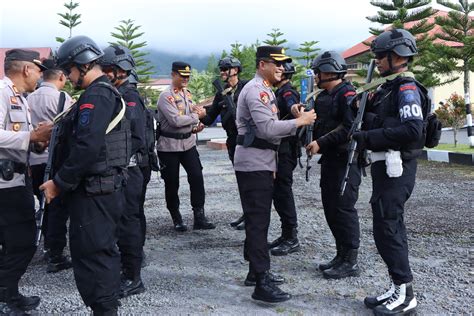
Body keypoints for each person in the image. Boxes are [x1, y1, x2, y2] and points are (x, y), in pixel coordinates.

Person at [40, 35, 130, 315]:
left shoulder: (97, 95)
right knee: (98, 252)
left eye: (69, 69)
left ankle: (104, 310)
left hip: (95, 191)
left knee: (93, 254)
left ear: (82, 63)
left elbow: (87, 146)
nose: (68, 76)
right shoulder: (100, 93)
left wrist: (59, 182)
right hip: (98, 189)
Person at [234, 46, 316, 303]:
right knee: (259, 223)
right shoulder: (257, 90)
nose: (281, 68)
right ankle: (261, 281)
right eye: (276, 63)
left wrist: (292, 116)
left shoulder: (266, 90)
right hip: (254, 162)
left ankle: (253, 272)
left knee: (258, 219)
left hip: (262, 161)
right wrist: (300, 122)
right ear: (262, 65)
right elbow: (268, 129)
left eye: (283, 64)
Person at [352, 29, 423, 315]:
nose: (377, 61)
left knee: (389, 228)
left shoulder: (406, 88)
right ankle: (398, 286)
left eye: (381, 56)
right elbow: (381, 119)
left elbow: (411, 129)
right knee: (385, 228)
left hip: (397, 168)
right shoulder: (389, 87)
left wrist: (368, 137)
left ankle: (406, 295)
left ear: (397, 57)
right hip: (385, 168)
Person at [0, 49, 51, 314]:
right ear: (26, 69)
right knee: (24, 240)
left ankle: (9, 293)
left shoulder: (21, 98)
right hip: (4, 184)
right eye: (39, 70)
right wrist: (31, 136)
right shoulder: (2, 92)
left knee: (13, 241)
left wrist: (39, 141)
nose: (41, 75)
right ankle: (6, 297)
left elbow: (22, 140)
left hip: (18, 178)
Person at [305, 51, 361, 279]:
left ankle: (350, 260)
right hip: (330, 160)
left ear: (328, 72)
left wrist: (321, 142)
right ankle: (340, 255)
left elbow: (349, 128)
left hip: (346, 161)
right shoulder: (323, 96)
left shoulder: (347, 94)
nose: (316, 76)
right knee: (330, 208)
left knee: (343, 209)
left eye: (319, 72)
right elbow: (319, 123)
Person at [99, 45, 146, 298]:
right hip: (122, 170)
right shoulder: (117, 94)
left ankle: (133, 277)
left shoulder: (129, 96)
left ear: (121, 70)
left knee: (128, 223)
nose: (105, 73)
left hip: (129, 170)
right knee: (122, 222)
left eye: (109, 69)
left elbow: (134, 137)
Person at [155, 62, 215, 232]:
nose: (185, 79)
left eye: (187, 76)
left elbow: (187, 120)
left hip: (188, 144)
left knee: (197, 177)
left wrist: (195, 127)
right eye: (182, 75)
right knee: (172, 183)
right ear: (173, 74)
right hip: (169, 147)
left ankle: (199, 216)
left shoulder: (186, 94)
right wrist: (196, 116)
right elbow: (176, 121)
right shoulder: (165, 96)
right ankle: (176, 217)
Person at [27, 57, 74, 273]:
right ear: (62, 76)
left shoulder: (27, 97)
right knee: (57, 209)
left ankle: (44, 246)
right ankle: (54, 253)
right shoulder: (63, 98)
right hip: (54, 162)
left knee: (42, 205)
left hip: (33, 161)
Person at [199, 56, 247, 230]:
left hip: (248, 140)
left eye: (225, 69)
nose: (222, 72)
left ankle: (253, 214)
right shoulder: (222, 91)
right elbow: (211, 115)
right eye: (221, 69)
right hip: (233, 140)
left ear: (235, 70)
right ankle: (247, 212)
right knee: (241, 178)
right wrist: (200, 120)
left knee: (251, 180)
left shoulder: (247, 87)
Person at [268, 62, 301, 256]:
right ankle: (285, 234)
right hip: (280, 149)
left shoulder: (288, 92)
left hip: (286, 150)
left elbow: (292, 105)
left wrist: (295, 109)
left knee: (283, 192)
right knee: (278, 194)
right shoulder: (279, 91)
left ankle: (291, 237)